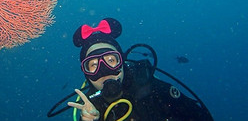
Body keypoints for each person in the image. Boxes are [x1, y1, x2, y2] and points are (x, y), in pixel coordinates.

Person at [67, 18, 213, 121]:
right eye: (93, 65)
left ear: (122, 63)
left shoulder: (149, 87)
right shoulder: (90, 108)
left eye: (111, 60)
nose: (104, 71)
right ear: (86, 73)